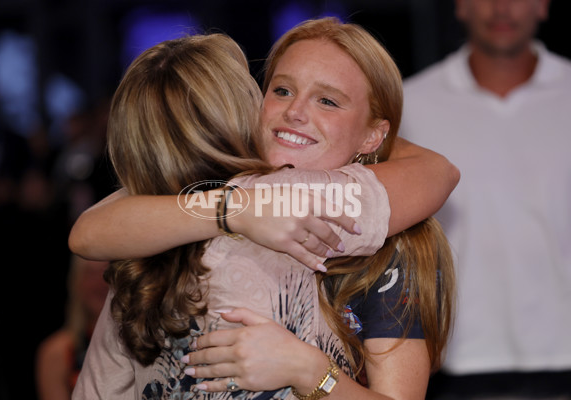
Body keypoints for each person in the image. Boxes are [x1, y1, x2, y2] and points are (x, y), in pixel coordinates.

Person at [71, 19, 457, 399]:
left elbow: (441, 171)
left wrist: (309, 372)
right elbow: (89, 233)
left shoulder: (379, 228)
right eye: (283, 90)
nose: (295, 112)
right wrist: (233, 209)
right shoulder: (187, 202)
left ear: (374, 133)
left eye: (327, 100)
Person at [399, 1, 571, 398]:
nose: (502, 7)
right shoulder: (411, 104)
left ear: (544, 6)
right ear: (459, 6)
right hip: (454, 355)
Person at [35, 255, 109, 399]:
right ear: (76, 282)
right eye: (91, 274)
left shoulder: (138, 344)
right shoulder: (58, 352)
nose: (101, 283)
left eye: (106, 273)